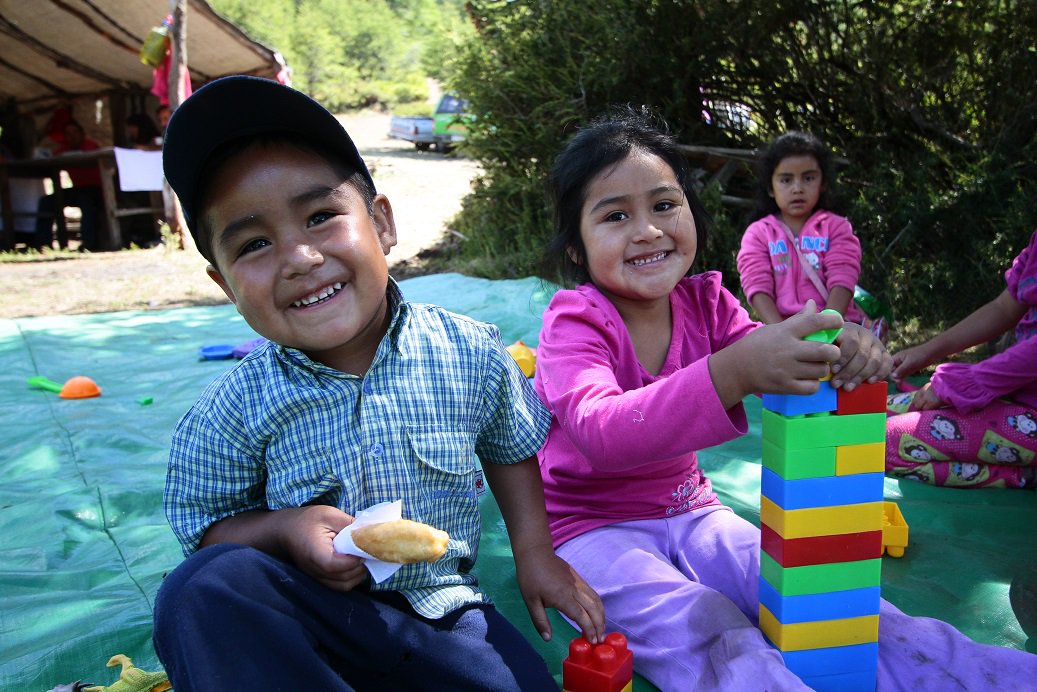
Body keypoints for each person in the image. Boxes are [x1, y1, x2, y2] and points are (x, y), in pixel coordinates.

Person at [534, 106, 1037, 690]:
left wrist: (842, 346)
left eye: (665, 204)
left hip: (694, 512)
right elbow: (601, 431)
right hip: (591, 529)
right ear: (576, 248)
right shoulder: (574, 322)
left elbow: (775, 352)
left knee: (835, 604)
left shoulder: (707, 303)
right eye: (616, 215)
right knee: (712, 630)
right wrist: (731, 373)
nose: (647, 229)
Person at [152, 75, 604, 691]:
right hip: (306, 621)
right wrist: (284, 530)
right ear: (224, 282)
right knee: (199, 591)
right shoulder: (233, 408)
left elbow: (511, 445)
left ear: (382, 223)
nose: (299, 258)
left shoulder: (467, 350)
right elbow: (207, 528)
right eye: (255, 243)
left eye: (319, 217)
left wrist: (534, 553)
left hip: (442, 615)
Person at [885, 229, 1037, 489]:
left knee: (879, 444)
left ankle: (1022, 476)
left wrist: (960, 384)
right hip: (1012, 396)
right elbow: (1003, 308)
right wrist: (926, 352)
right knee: (868, 414)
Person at [737, 132, 885, 340]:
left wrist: (828, 331)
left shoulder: (837, 227)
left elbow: (843, 279)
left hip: (838, 327)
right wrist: (782, 336)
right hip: (781, 330)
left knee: (845, 368)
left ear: (823, 182)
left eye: (808, 178)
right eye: (786, 180)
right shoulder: (758, 233)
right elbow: (757, 287)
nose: (797, 188)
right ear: (770, 187)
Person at [26, 120, 102, 251]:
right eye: (68, 133)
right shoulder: (64, 149)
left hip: (95, 189)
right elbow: (52, 159)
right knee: (46, 202)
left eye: (75, 132)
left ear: (82, 134)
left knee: (86, 200)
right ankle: (43, 244)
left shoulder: (91, 146)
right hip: (77, 190)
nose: (72, 136)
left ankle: (88, 244)